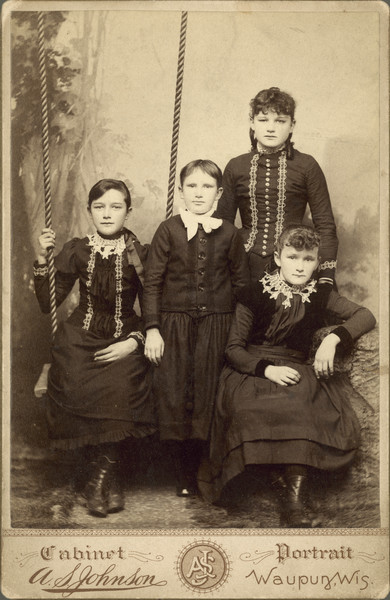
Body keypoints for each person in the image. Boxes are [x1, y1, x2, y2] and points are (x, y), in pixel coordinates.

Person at [199, 224, 376, 527]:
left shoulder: (321, 293)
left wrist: (334, 340)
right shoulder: (254, 293)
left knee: (302, 408)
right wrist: (266, 369)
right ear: (279, 258)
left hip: (296, 367)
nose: (300, 266)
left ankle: (292, 498)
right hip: (251, 368)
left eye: (308, 260)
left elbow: (366, 315)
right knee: (248, 408)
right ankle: (272, 481)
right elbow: (233, 349)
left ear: (317, 263)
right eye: (293, 257)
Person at [33, 179, 155, 518]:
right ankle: (107, 478)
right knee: (72, 377)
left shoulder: (140, 254)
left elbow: (156, 311)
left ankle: (100, 478)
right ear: (89, 211)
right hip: (80, 337)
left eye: (116, 206)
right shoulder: (77, 249)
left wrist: (133, 343)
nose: (107, 213)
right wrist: (40, 258)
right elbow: (48, 302)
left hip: (124, 338)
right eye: (99, 207)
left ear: (128, 211)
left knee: (121, 384)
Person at [143, 159, 250, 497]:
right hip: (174, 324)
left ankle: (205, 468)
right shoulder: (169, 229)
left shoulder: (231, 233)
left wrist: (236, 332)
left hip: (217, 325)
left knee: (207, 392)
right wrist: (152, 328)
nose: (199, 193)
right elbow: (152, 283)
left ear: (219, 194)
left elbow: (242, 285)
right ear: (180, 192)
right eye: (192, 186)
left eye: (207, 187)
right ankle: (182, 473)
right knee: (175, 391)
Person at [215, 87, 338, 296]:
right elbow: (223, 224)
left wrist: (326, 275)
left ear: (292, 125)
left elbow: (325, 226)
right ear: (252, 123)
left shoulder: (307, 165)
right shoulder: (236, 166)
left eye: (280, 121)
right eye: (263, 120)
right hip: (243, 266)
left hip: (294, 264)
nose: (271, 128)